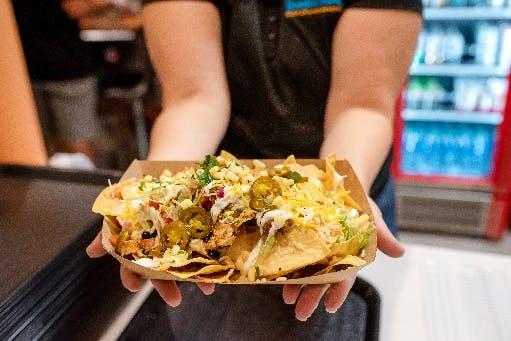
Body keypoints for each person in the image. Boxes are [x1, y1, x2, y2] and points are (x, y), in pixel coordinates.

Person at [87, 0, 423, 338]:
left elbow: (362, 106)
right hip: (214, 220)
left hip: (345, 187)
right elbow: (193, 99)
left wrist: (346, 195)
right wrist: (158, 200)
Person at [12, 0, 112, 166]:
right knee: (77, 146)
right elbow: (77, 6)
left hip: (26, 70)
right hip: (63, 68)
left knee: (40, 151)